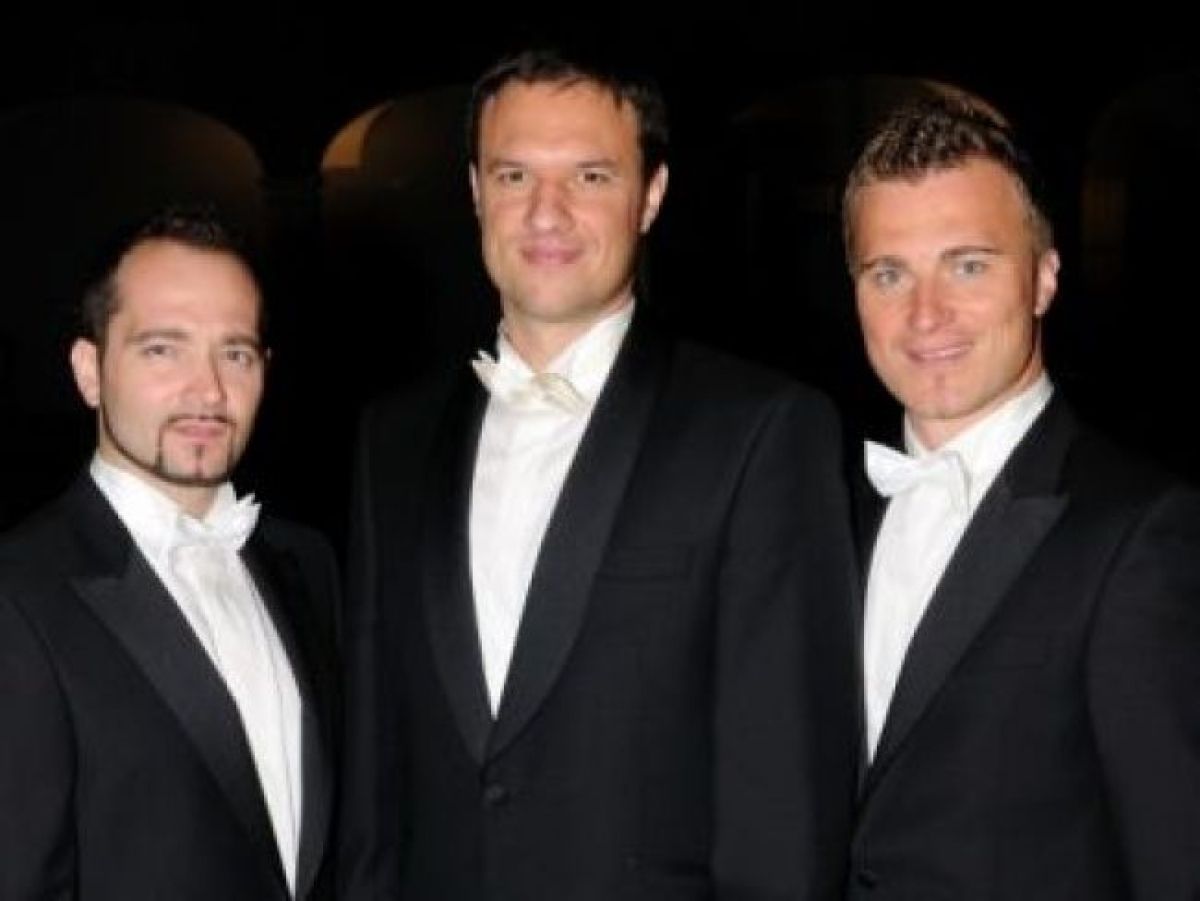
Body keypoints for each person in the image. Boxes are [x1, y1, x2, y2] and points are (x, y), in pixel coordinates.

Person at [338, 48, 859, 899]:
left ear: (650, 194)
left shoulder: (761, 431)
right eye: (514, 175)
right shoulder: (388, 441)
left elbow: (783, 801)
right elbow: (373, 784)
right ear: (475, 191)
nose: (546, 212)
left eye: (589, 176)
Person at [843, 93, 1200, 899]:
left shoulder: (1141, 533)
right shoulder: (822, 509)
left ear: (1043, 278)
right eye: (889, 273)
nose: (925, 314)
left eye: (968, 265)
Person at [0, 208, 339, 900]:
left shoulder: (309, 563)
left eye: (235, 353)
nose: (208, 389)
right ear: (90, 371)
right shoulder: (18, 592)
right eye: (163, 349)